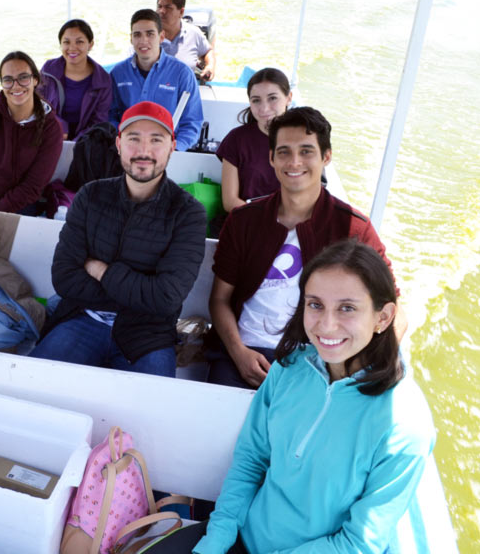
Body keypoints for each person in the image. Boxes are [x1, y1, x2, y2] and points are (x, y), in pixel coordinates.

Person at [191, 240, 435, 553]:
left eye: (347, 308)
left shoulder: (405, 424)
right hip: (243, 540)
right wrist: (217, 539)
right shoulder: (288, 369)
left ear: (383, 318)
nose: (326, 325)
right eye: (315, 304)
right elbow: (251, 459)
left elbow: (358, 542)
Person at [207, 107, 406, 389]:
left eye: (307, 151)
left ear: (326, 157)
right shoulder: (243, 221)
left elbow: (394, 309)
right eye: (284, 151)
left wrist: (355, 367)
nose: (294, 161)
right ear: (271, 158)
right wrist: (239, 353)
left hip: (319, 357)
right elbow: (219, 300)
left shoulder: (354, 229)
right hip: (243, 351)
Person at [30, 101, 206, 377]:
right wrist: (139, 292)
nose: (144, 151)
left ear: (172, 146)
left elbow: (166, 298)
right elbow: (64, 278)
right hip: (81, 319)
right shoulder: (90, 196)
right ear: (119, 144)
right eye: (133, 139)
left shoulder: (187, 213)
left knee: (151, 417)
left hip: (148, 336)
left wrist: (99, 269)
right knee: (33, 389)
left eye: (156, 140)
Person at [0, 51, 64, 215]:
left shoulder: (51, 129)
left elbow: (32, 187)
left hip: (21, 205)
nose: (16, 86)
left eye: (23, 77)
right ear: (2, 84)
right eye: (8, 80)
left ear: (35, 80)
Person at [109, 9, 204, 153]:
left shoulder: (182, 74)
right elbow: (110, 116)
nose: (143, 41)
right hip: (127, 151)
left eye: (150, 34)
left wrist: (176, 149)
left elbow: (192, 122)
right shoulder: (118, 73)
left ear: (161, 36)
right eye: (137, 35)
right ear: (131, 39)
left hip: (168, 152)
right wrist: (124, 143)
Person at [217, 67, 292, 212]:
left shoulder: (303, 139)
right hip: (246, 220)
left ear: (288, 98)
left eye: (272, 98)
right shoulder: (236, 139)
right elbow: (230, 201)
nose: (264, 108)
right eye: (256, 100)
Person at [40, 19, 112, 140]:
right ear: (61, 45)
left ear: (90, 44)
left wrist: (76, 144)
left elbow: (99, 121)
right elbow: (38, 104)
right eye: (66, 42)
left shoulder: (103, 80)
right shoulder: (48, 70)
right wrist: (59, 127)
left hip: (87, 142)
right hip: (51, 135)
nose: (72, 48)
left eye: (79, 42)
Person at [156, 0, 216, 81]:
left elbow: (208, 51)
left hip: (185, 92)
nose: (161, 11)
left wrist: (210, 66)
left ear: (181, 12)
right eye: (159, 6)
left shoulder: (194, 33)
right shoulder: (147, 35)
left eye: (168, 7)